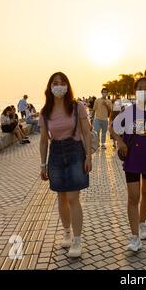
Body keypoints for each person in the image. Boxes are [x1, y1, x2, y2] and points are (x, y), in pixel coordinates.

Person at [39, 72, 92, 258]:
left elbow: (86, 132)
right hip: (55, 154)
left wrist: (89, 157)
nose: (58, 86)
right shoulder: (45, 112)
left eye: (62, 83)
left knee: (72, 198)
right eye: (55, 83)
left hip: (75, 151)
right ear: (50, 87)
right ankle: (67, 233)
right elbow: (44, 140)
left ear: (67, 86)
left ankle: (77, 241)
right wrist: (42, 165)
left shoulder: (77, 107)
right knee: (61, 197)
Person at [110, 77, 146, 252]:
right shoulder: (128, 111)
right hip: (132, 159)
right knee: (133, 197)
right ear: (135, 92)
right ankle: (135, 238)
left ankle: (142, 223)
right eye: (139, 88)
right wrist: (121, 143)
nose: (142, 91)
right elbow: (112, 129)